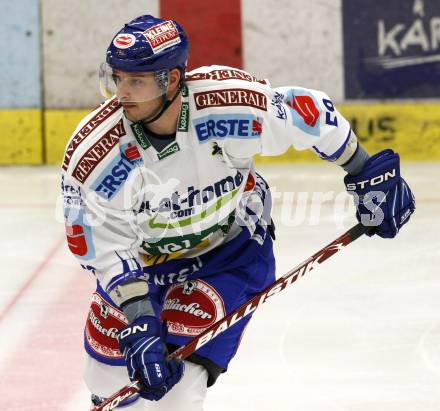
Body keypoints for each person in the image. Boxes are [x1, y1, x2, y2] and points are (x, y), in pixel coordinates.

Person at [61, 14, 415, 410]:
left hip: (229, 252)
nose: (121, 93)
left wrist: (365, 169)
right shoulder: (96, 155)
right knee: (104, 377)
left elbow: (309, 113)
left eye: (136, 81)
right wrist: (140, 316)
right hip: (145, 262)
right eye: (117, 78)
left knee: (178, 393)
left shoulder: (228, 105)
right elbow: (105, 246)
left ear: (172, 80)